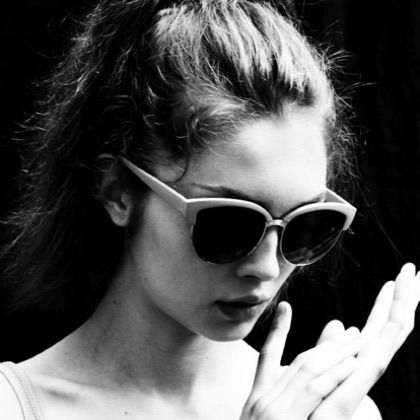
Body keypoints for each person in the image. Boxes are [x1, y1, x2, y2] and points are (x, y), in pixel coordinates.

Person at [0, 1, 419, 419]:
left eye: (308, 226)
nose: (266, 269)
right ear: (119, 192)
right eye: (230, 225)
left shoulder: (333, 414)